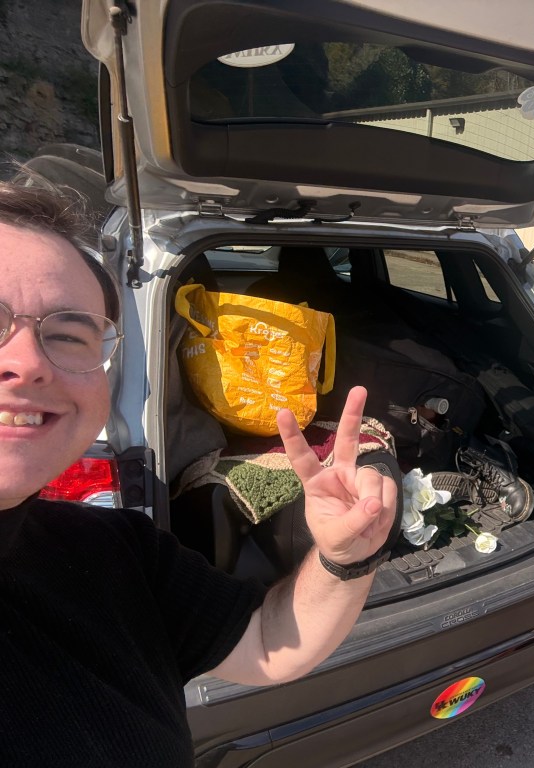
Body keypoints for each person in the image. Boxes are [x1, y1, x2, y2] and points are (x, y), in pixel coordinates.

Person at [0, 179, 400, 766]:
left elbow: (271, 644)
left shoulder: (117, 552)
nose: (29, 362)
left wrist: (346, 557)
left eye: (67, 335)